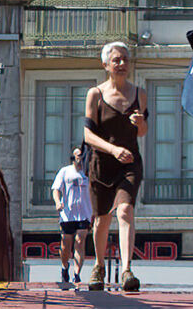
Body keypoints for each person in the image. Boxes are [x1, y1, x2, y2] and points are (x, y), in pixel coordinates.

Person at [82, 41, 147, 292]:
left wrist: (140, 122)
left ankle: (126, 269)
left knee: (124, 211)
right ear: (106, 65)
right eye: (116, 60)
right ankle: (98, 266)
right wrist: (112, 149)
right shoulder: (95, 94)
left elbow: (142, 132)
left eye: (125, 60)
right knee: (102, 219)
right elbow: (88, 136)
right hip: (101, 165)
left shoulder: (139, 94)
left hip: (129, 164)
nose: (121, 64)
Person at [51, 146, 93, 286]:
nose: (80, 158)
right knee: (65, 244)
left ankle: (77, 274)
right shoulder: (65, 171)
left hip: (84, 214)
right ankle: (65, 267)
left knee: (80, 242)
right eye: (77, 156)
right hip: (68, 214)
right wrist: (58, 202)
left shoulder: (89, 173)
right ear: (73, 158)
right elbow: (56, 189)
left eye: (82, 156)